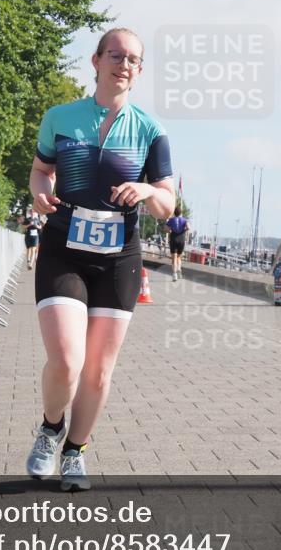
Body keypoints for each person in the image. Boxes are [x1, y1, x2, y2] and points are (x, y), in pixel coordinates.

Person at [26, 27, 174, 491]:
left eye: (132, 59)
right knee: (67, 361)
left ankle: (76, 451)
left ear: (139, 71)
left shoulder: (150, 130)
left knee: (98, 369)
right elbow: (41, 170)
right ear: (96, 61)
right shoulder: (60, 117)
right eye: (116, 55)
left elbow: (168, 205)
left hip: (118, 259)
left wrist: (149, 188)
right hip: (63, 250)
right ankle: (52, 428)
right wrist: (39, 195)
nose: (123, 64)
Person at [165, 205, 189, 281]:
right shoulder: (184, 220)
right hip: (181, 239)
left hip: (173, 238)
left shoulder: (171, 220)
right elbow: (188, 227)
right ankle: (179, 268)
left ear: (174, 213)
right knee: (179, 257)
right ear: (180, 212)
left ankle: (174, 274)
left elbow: (166, 228)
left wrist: (169, 230)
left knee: (174, 257)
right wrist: (184, 230)